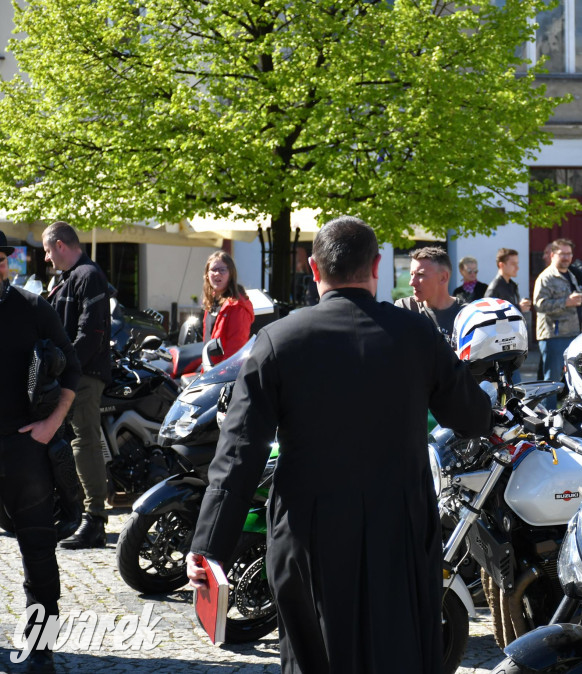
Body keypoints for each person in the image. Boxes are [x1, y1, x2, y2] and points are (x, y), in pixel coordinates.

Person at [186, 217, 492, 674]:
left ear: (313, 269)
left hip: (310, 530)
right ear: (376, 264)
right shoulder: (417, 334)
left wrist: (210, 544)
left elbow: (239, 451)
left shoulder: (277, 340)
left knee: (314, 659)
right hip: (399, 526)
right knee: (399, 655)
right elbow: (471, 417)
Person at [1, 230, 82, 672]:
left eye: (1, 258)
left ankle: (42, 649)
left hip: (25, 450)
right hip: (24, 448)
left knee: (37, 551)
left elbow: (72, 368)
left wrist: (50, 426)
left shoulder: (33, 307)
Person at [42, 221, 112, 550]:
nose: (45, 258)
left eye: (45, 250)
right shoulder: (72, 278)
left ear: (59, 245)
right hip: (72, 373)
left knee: (84, 440)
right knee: (72, 440)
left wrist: (66, 369)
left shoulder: (87, 275)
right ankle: (76, 513)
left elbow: (90, 334)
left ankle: (94, 519)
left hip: (83, 375)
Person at [533, 239, 582, 390]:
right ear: (553, 255)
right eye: (562, 254)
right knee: (551, 381)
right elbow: (539, 305)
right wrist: (566, 302)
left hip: (573, 334)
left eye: (569, 254)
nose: (566, 257)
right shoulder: (546, 277)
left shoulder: (571, 275)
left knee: (574, 379)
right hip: (554, 337)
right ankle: (547, 412)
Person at [395, 246, 464, 350]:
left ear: (443, 277)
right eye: (412, 274)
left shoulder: (465, 314)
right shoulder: (405, 308)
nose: (411, 282)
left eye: (420, 275)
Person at [202, 251, 255, 365]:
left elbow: (235, 352)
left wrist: (220, 374)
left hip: (223, 374)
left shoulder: (237, 307)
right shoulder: (211, 302)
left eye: (222, 270)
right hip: (209, 369)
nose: (217, 274)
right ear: (207, 274)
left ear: (231, 274)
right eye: (213, 269)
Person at [484, 248, 532, 315]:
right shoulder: (494, 288)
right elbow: (489, 313)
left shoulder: (511, 285)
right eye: (513, 264)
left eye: (517, 264)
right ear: (501, 265)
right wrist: (519, 307)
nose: (517, 268)